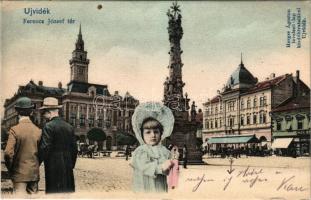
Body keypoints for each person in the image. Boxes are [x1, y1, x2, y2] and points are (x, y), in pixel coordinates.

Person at [131, 102, 175, 193]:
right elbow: (144, 166)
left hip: (160, 185)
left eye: (156, 132)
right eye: (148, 132)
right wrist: (161, 168)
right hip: (145, 185)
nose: (153, 135)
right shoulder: (141, 151)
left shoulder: (164, 151)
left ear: (161, 133)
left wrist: (171, 163)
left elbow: (169, 169)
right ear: (142, 134)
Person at [38, 97, 78, 193]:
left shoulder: (48, 126)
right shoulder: (69, 127)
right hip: (67, 165)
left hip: (53, 165)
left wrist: (38, 161)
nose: (43, 115)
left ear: (49, 112)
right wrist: (71, 164)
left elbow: (45, 147)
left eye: (44, 113)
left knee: (54, 191)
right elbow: (75, 149)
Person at [4, 97, 41, 195]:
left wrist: (11, 168)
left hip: (19, 174)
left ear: (17, 112)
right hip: (34, 174)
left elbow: (8, 153)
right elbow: (42, 152)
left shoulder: (14, 130)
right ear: (31, 112)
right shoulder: (38, 130)